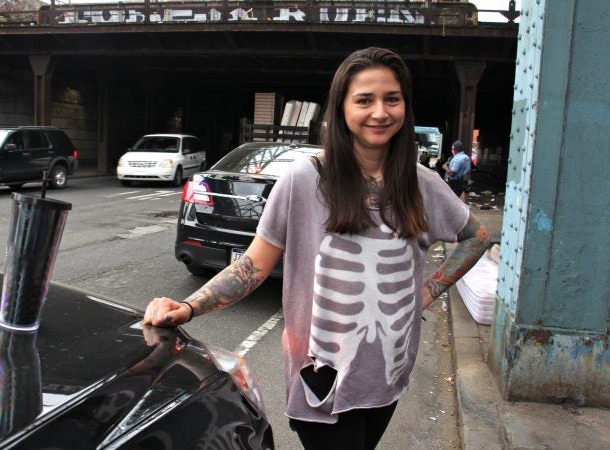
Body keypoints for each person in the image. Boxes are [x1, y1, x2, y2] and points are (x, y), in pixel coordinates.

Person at [144, 47, 491, 450]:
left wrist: (424, 293)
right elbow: (254, 265)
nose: (380, 112)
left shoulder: (422, 183)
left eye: (391, 99)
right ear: (341, 109)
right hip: (321, 376)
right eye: (364, 100)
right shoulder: (302, 181)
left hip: (388, 374)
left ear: (405, 107)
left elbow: (477, 237)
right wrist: (188, 308)